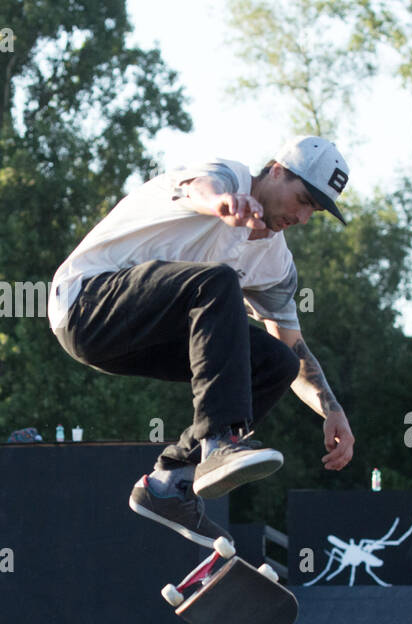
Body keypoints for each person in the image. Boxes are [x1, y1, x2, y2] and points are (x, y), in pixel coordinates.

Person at [49, 136, 355, 548]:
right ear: (277, 170)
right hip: (86, 302)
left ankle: (171, 482)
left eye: (312, 211)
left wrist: (331, 410)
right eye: (302, 200)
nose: (302, 217)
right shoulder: (227, 176)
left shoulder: (277, 266)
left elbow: (295, 349)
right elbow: (198, 189)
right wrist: (223, 204)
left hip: (141, 336)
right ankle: (220, 443)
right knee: (216, 281)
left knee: (275, 361)